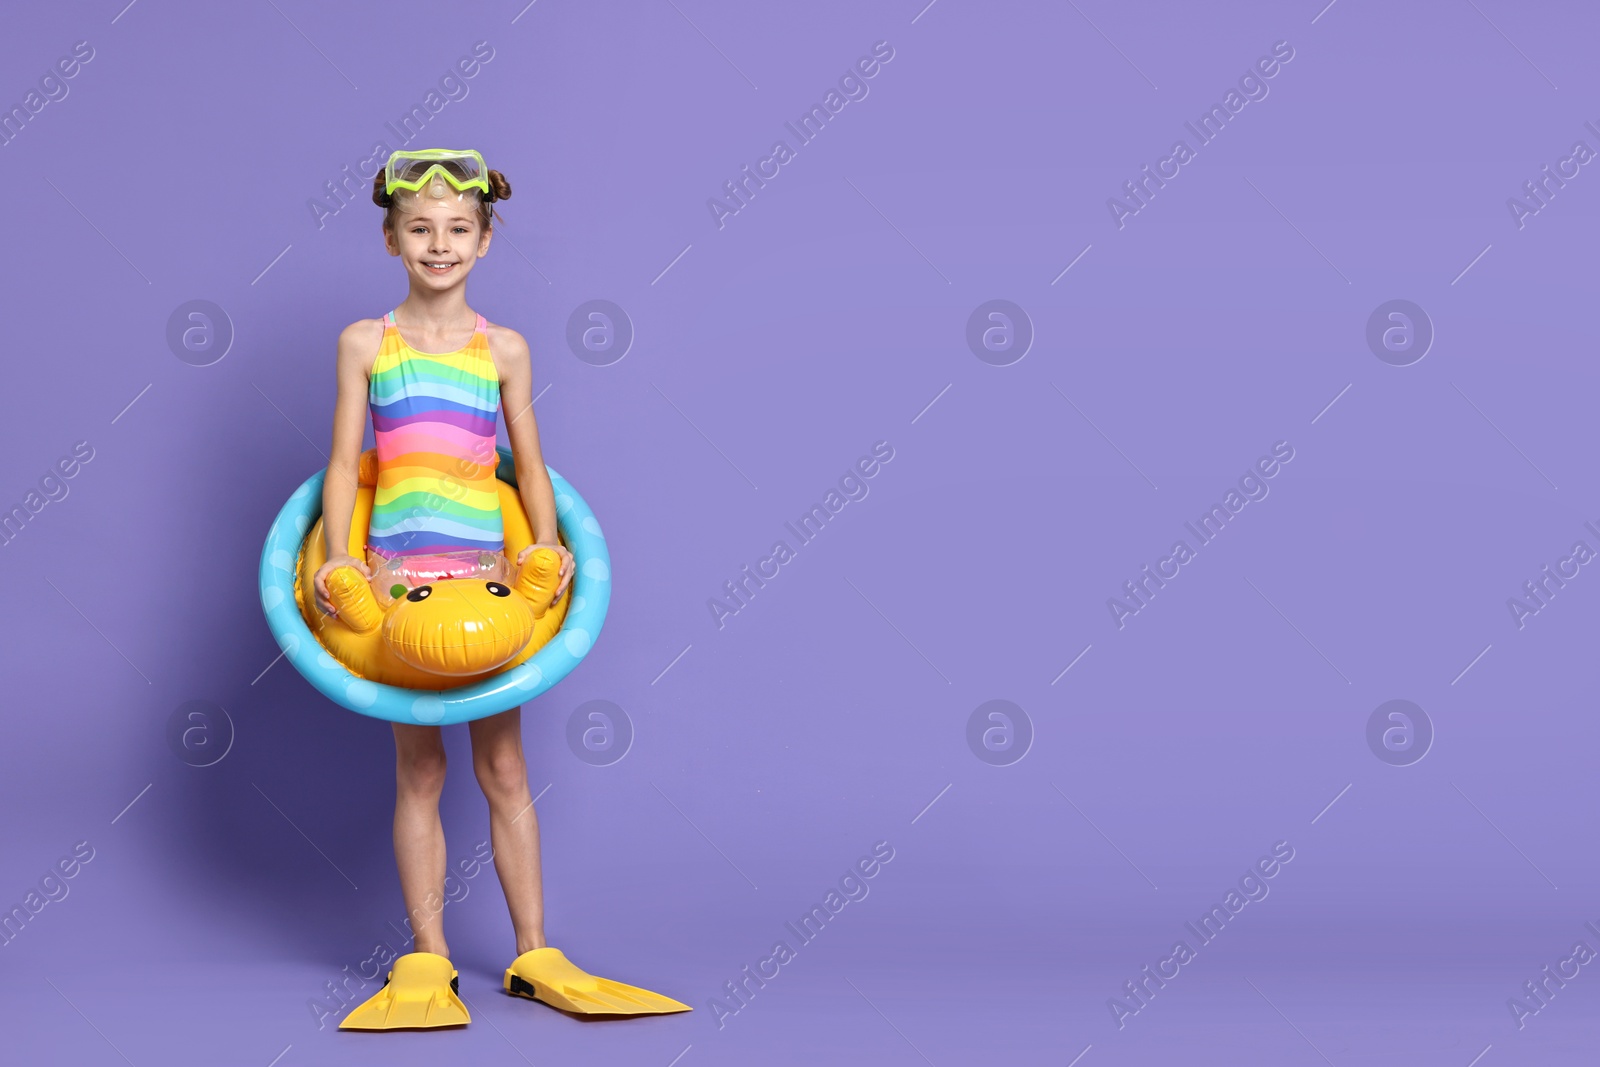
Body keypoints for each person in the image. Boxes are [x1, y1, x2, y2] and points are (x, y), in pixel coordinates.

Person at [312, 149, 688, 1030]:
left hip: (485, 581)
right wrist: (338, 559)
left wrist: (548, 556)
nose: (439, 245)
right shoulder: (366, 342)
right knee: (421, 769)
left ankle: (533, 952)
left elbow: (530, 467)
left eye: (457, 230)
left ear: (484, 242)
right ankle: (429, 959)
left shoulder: (504, 347)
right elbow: (341, 464)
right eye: (421, 230)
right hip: (399, 589)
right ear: (391, 239)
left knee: (505, 766)